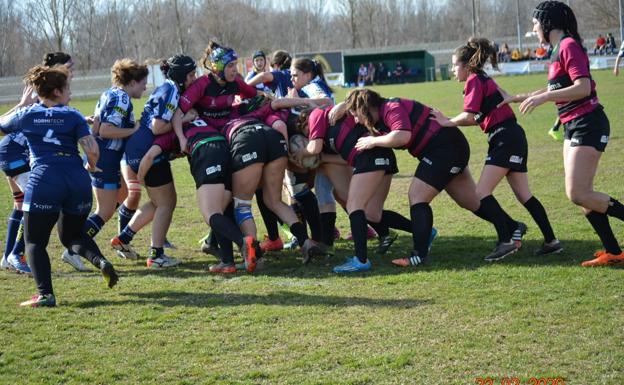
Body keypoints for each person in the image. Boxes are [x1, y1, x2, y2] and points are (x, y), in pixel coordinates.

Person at [500, 0, 624, 266]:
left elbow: (582, 87)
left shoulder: (568, 46)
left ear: (547, 23)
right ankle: (613, 251)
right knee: (582, 194)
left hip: (587, 123)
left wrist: (544, 97)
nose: (533, 29)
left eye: (535, 23)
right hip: (573, 124)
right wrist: (518, 97)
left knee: (578, 193)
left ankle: (614, 249)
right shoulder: (558, 49)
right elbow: (555, 87)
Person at [339, 89, 519, 266]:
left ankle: (419, 254)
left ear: (364, 109)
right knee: (470, 201)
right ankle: (512, 227)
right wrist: (341, 107)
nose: (356, 119)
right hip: (447, 148)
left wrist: (373, 141)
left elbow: (403, 135)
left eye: (356, 114)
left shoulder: (391, 107)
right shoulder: (379, 116)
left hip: (444, 149)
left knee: (417, 196)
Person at [0, 65, 119, 307]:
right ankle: (101, 262)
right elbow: (91, 148)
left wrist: (22, 105)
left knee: (34, 242)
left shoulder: (27, 114)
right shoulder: (73, 115)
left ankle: (45, 294)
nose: (71, 94)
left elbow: (2, 125)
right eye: (67, 89)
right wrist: (91, 166)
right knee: (73, 234)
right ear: (56, 91)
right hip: (77, 178)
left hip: (44, 180)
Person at [435, 37, 562, 256]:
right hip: (513, 136)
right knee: (525, 195)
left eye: (455, 65)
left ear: (467, 65)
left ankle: (506, 241)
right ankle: (551, 241)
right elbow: (491, 108)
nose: (453, 70)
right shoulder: (484, 78)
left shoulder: (474, 79)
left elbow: (470, 116)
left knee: (482, 192)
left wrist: (447, 121)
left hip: (504, 138)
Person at [110, 55, 198, 268]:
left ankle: (124, 237)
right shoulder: (171, 90)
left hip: (140, 148)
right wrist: (187, 119)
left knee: (160, 202)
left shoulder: (168, 87)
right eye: (191, 75)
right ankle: (156, 254)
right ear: (180, 76)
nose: (194, 79)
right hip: (147, 150)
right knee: (167, 203)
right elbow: (158, 127)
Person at [81, 59, 148, 255]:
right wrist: (133, 129)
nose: (144, 88)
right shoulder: (122, 99)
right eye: (143, 84)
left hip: (103, 157)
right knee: (105, 211)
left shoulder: (110, 93)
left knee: (125, 194)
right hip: (104, 160)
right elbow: (106, 130)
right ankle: (74, 247)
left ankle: (122, 245)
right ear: (133, 82)